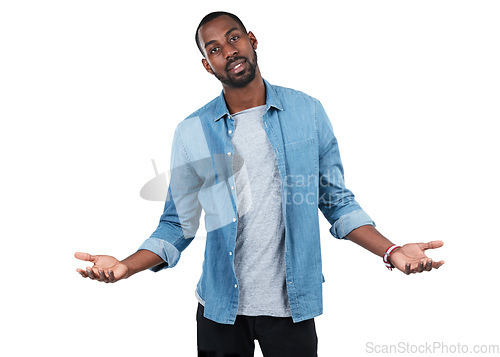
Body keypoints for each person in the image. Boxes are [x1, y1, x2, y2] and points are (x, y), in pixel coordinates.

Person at [75, 11, 445, 357]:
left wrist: (391, 250)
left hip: (291, 309)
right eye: (214, 48)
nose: (228, 50)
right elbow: (177, 224)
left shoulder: (307, 111)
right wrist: (125, 265)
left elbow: (335, 200)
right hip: (219, 310)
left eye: (234, 38)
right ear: (207, 65)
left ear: (252, 40)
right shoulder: (192, 132)